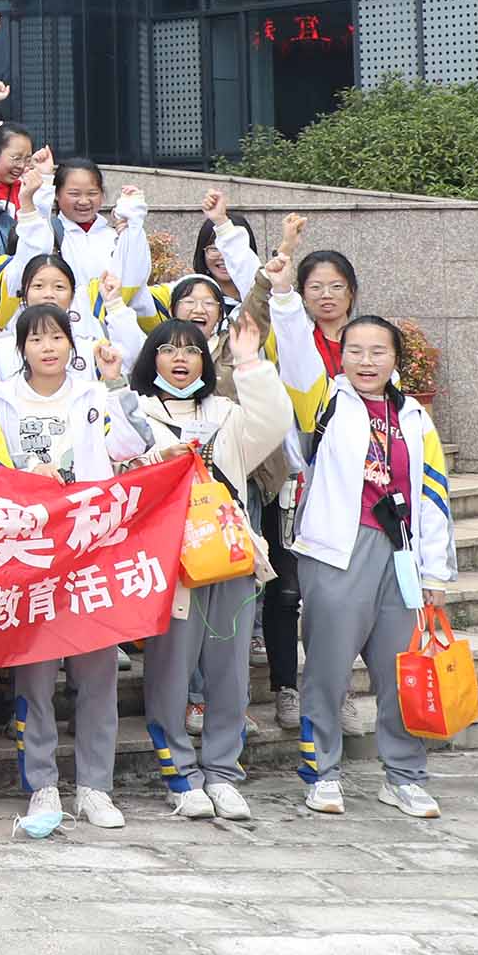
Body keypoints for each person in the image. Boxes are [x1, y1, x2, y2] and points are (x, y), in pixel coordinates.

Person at [270, 269, 456, 823]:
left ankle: (404, 777)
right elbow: (295, 351)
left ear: (396, 359)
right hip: (337, 552)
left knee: (401, 673)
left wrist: (435, 573)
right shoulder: (322, 399)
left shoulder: (415, 417)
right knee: (327, 670)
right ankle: (322, 773)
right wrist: (283, 294)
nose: (366, 361)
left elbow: (434, 497)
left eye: (379, 352)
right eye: (355, 351)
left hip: (401, 556)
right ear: (341, 355)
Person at [0, 301, 151, 836]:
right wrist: (24, 476)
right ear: (21, 348)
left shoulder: (93, 394)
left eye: (56, 337)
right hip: (31, 555)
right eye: (36, 339)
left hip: (90, 549)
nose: (48, 347)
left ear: (70, 344)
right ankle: (42, 784)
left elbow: (131, 446)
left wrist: (115, 381)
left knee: (97, 672)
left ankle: (94, 787)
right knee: (35, 677)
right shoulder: (1, 399)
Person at [128, 314, 290, 824]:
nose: (180, 359)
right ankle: (179, 774)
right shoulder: (136, 412)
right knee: (171, 672)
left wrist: (249, 362)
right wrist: (159, 457)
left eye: (191, 350)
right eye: (168, 349)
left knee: (229, 672)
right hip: (170, 564)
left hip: (228, 557)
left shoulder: (226, 414)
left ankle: (222, 771)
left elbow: (274, 421)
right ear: (152, 358)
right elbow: (117, 470)